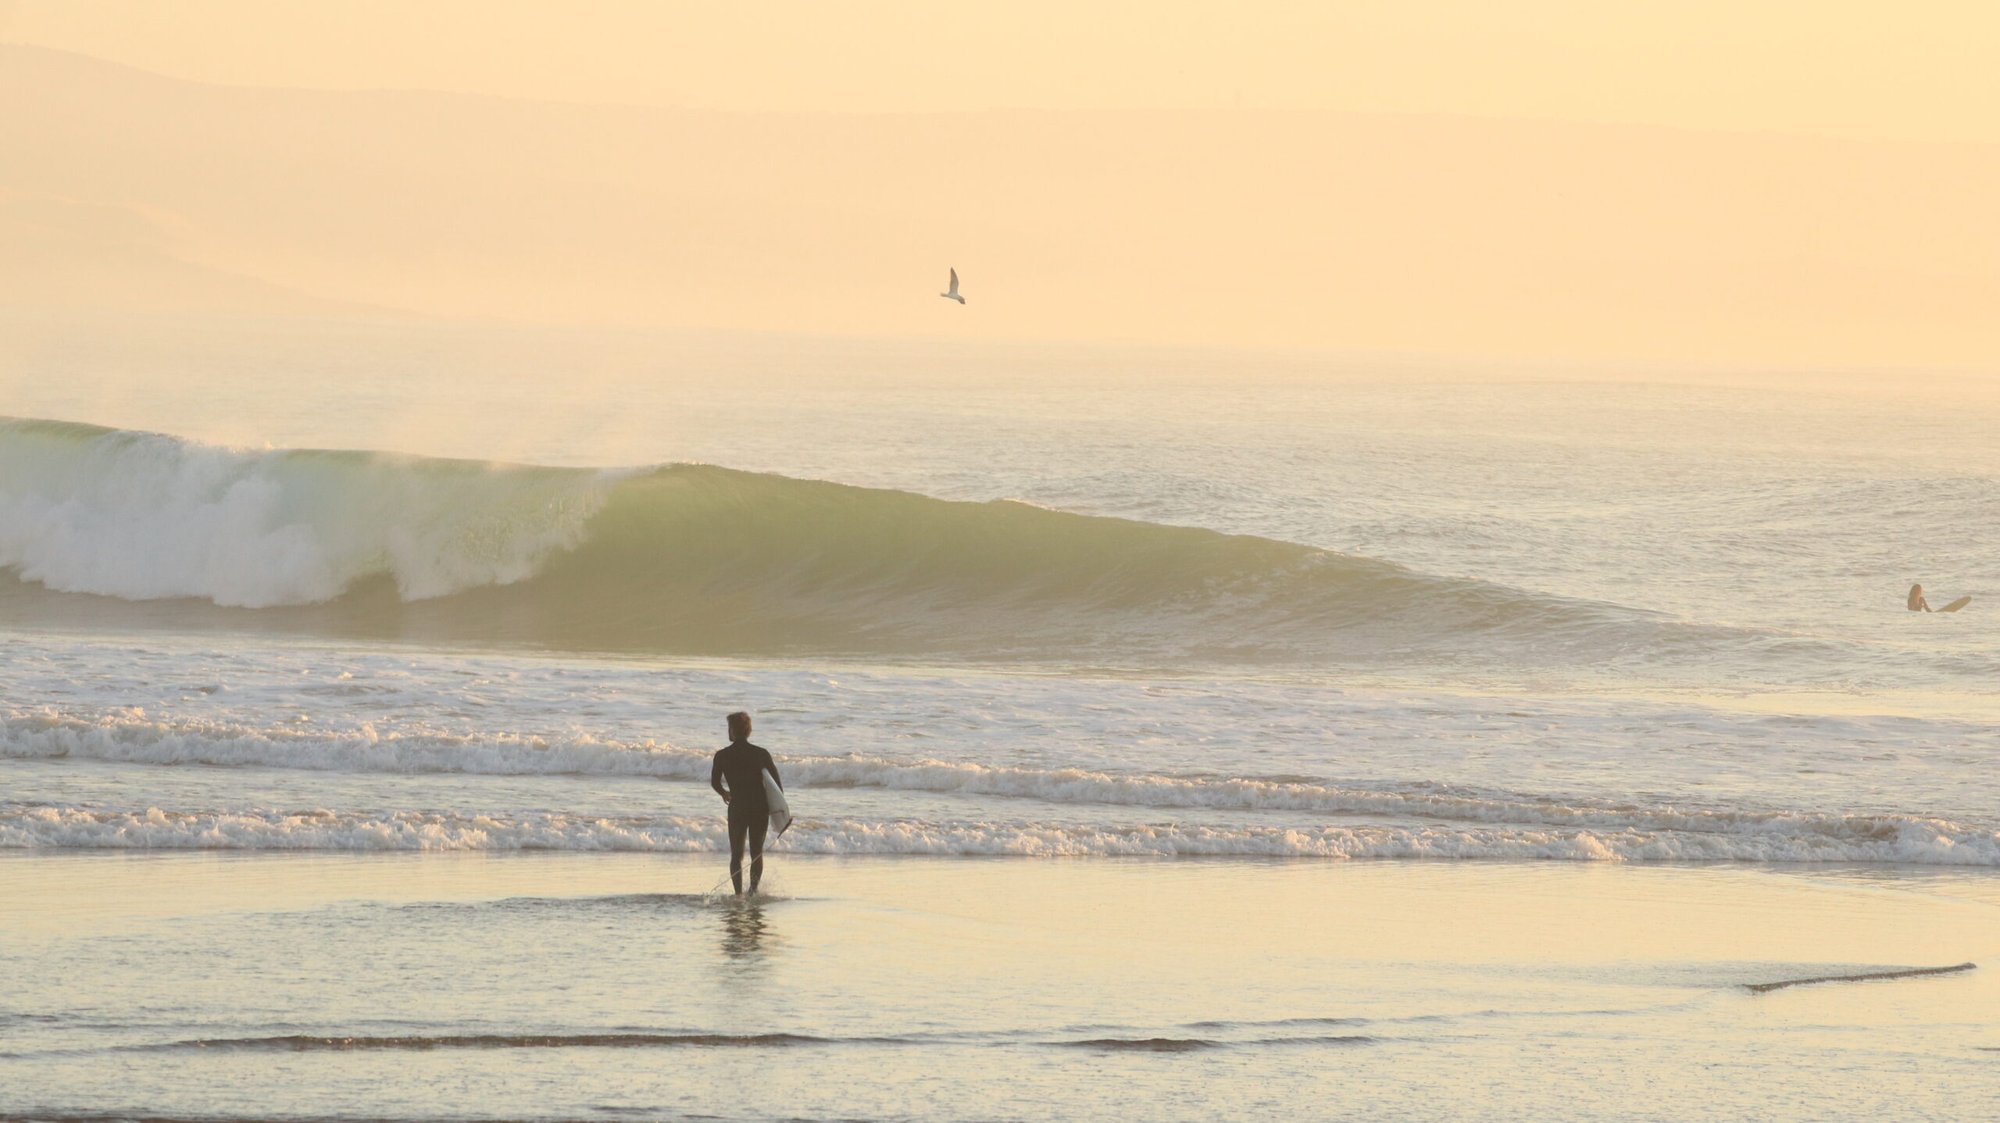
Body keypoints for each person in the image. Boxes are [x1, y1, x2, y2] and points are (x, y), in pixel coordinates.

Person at [710, 711, 782, 897]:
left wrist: (724, 793)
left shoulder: (722, 755)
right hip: (759, 808)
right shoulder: (761, 754)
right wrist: (780, 812)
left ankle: (738, 894)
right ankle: (753, 891)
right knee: (757, 852)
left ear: (732, 731)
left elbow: (715, 782)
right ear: (749, 731)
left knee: (737, 854)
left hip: (738, 807)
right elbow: (776, 785)